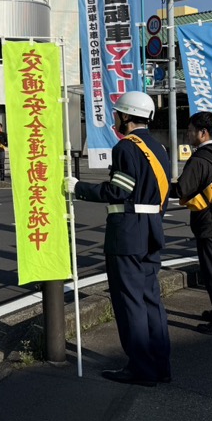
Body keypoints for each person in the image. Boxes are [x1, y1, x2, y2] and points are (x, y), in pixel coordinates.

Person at [68, 91, 172, 386]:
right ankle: (160, 366)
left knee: (130, 303)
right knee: (151, 299)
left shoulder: (126, 147)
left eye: (117, 114)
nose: (115, 119)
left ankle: (140, 368)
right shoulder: (159, 147)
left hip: (128, 232)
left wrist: (78, 188)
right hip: (153, 229)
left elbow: (118, 191)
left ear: (125, 116)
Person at [170, 111, 212, 339]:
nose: (188, 134)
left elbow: (182, 190)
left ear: (203, 133)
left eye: (190, 130)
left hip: (209, 223)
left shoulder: (200, 159)